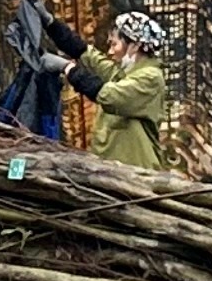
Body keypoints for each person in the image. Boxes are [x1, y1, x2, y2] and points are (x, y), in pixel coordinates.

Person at [54, 10, 177, 171]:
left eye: (114, 44)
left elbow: (108, 95)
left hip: (135, 172)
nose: (110, 51)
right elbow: (89, 56)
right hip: (111, 167)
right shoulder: (126, 72)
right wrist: (51, 25)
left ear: (134, 45)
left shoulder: (150, 78)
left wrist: (69, 68)